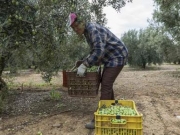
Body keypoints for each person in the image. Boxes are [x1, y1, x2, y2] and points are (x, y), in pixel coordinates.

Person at [68, 12, 128, 129]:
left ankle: (99, 119)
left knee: (106, 84)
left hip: (117, 56)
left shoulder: (92, 29)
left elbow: (99, 51)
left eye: (76, 26)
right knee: (106, 84)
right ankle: (112, 110)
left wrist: (85, 65)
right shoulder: (87, 32)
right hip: (110, 58)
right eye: (73, 28)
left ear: (82, 22)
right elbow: (95, 51)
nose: (75, 30)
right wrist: (83, 61)